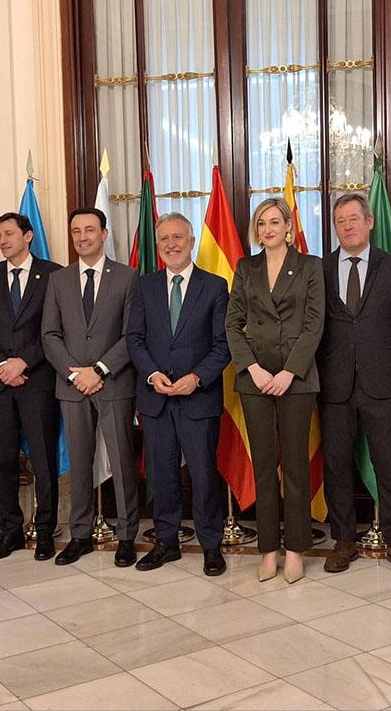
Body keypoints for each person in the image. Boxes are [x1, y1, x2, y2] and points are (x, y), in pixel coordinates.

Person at [317, 193, 391, 576]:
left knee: (390, 463)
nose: (347, 226)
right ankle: (343, 540)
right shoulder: (321, 268)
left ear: (370, 222)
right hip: (334, 382)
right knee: (337, 463)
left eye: (354, 219)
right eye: (340, 221)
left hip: (384, 380)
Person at [225, 198, 324, 584]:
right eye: (261, 223)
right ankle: (268, 550)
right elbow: (233, 325)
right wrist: (252, 367)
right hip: (254, 380)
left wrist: (289, 373)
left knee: (295, 467)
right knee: (264, 467)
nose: (267, 229)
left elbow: (315, 324)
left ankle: (296, 549)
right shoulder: (245, 268)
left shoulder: (310, 266)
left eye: (274, 222)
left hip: (296, 380)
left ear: (288, 226)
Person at [126, 213, 230, 577]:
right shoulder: (144, 286)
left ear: (191, 242)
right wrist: (153, 374)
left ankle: (211, 546)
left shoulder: (215, 286)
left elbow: (223, 346)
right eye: (164, 239)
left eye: (178, 238)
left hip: (197, 399)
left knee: (203, 476)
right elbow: (134, 339)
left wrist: (196, 379)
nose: (171, 244)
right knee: (163, 474)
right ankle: (166, 542)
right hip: (155, 398)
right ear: (158, 245)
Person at [42, 207, 140, 567]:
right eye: (76, 231)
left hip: (113, 383)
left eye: (89, 230)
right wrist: (74, 374)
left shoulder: (128, 277)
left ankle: (127, 535)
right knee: (80, 462)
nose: (82, 237)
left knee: (122, 461)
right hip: (71, 386)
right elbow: (49, 334)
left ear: (104, 233)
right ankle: (80, 534)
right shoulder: (59, 280)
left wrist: (99, 369)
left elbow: (133, 335)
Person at [0, 212, 64, 562]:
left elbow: (55, 330)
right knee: (5, 461)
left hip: (36, 380)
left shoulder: (54, 274)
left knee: (43, 460)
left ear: (28, 236)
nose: (2, 240)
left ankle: (44, 531)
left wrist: (23, 363)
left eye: (9, 233)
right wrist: (1, 365)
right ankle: (10, 530)